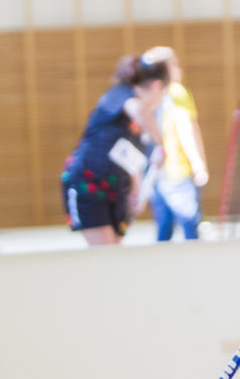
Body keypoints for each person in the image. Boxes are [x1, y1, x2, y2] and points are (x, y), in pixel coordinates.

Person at [60, 55, 168, 246]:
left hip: (116, 188)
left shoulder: (141, 126)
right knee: (105, 253)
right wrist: (160, 143)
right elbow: (138, 109)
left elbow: (128, 155)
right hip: (88, 182)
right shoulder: (121, 95)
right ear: (156, 86)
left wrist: (137, 188)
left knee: (115, 251)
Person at [140, 46, 209, 242]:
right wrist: (198, 163)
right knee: (190, 229)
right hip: (177, 172)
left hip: (156, 173)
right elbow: (185, 127)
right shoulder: (176, 91)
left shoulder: (147, 93)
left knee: (163, 232)